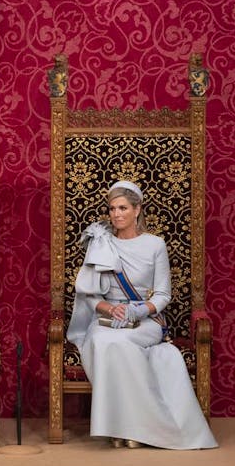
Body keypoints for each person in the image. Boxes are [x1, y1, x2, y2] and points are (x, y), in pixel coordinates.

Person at [66, 180, 217, 450]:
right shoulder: (101, 243)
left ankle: (144, 428)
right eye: (112, 209)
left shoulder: (155, 245)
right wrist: (110, 308)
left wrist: (138, 310)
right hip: (106, 318)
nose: (116, 214)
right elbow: (89, 295)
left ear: (137, 210)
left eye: (123, 208)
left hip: (145, 319)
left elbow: (163, 295)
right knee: (103, 342)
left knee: (122, 343)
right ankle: (122, 427)